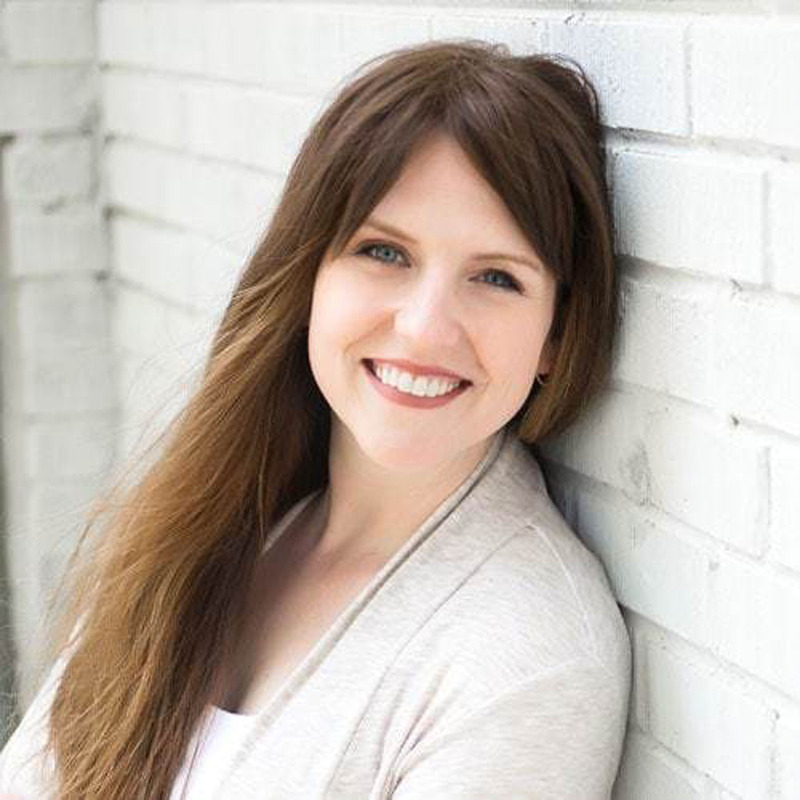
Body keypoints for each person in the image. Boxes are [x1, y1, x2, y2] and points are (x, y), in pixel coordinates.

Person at [0, 39, 630, 799]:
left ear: (556, 338)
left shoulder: (525, 650)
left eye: (496, 277)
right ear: (307, 276)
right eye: (384, 253)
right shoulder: (209, 525)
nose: (427, 327)